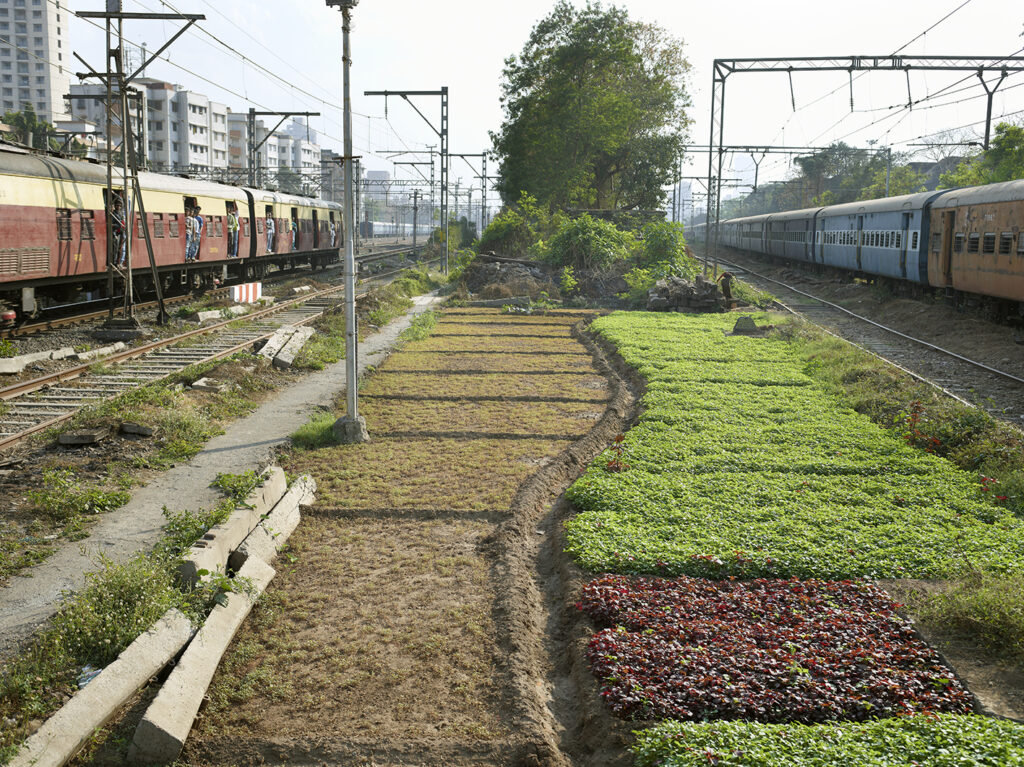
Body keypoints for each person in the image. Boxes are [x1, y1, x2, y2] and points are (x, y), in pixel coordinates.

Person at [111, 197, 127, 267]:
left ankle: (119, 262)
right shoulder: (113, 214)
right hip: (115, 232)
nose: (118, 207)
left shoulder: (121, 214)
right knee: (115, 248)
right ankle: (114, 262)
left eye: (119, 205)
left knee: (121, 248)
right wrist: (118, 224)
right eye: (117, 205)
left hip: (121, 232)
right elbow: (111, 224)